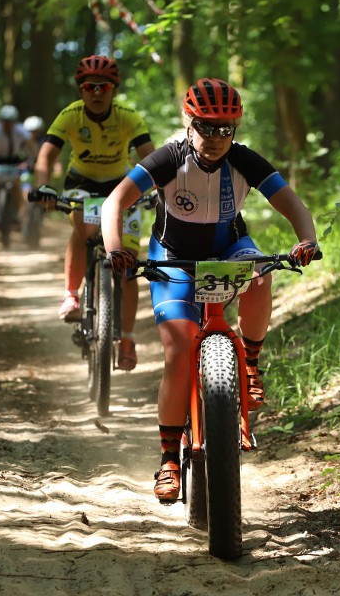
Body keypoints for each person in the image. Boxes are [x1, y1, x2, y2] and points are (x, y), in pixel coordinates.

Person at [101, 78, 319, 501]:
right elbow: (115, 202)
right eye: (206, 127)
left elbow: (292, 204)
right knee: (179, 351)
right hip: (173, 255)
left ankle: (250, 362)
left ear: (235, 128)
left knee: (261, 271)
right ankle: (168, 458)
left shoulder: (243, 160)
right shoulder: (169, 158)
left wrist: (306, 240)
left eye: (226, 129)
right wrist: (114, 248)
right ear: (189, 121)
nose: (216, 138)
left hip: (228, 247)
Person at [34, 55, 155, 371]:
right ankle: (72, 295)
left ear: (114, 90)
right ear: (81, 90)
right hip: (82, 185)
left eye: (103, 87)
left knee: (128, 262)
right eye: (89, 87)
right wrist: (44, 186)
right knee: (85, 230)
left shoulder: (128, 117)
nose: (96, 93)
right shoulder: (71, 115)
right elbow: (46, 155)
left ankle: (127, 338)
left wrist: (160, 190)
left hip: (122, 187)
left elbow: (152, 158)